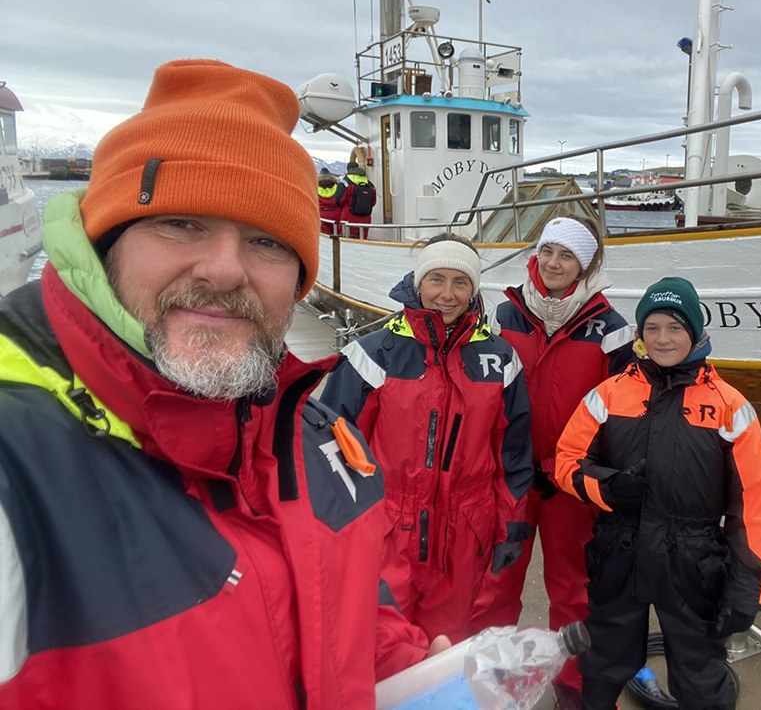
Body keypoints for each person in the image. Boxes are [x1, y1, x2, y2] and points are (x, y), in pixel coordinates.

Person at [0, 59, 445, 709]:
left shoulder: (317, 440)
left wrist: (407, 670)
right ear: (107, 245)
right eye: (182, 223)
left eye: (267, 240)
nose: (224, 270)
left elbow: (345, 611)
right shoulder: (19, 468)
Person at [555, 277, 761, 710]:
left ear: (695, 333)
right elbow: (566, 462)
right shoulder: (608, 394)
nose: (662, 339)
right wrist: (609, 487)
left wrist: (747, 585)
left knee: (701, 676)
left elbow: (755, 505)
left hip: (694, 563)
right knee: (602, 663)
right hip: (619, 553)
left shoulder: (730, 406)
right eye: (652, 327)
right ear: (639, 334)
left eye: (675, 328)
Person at [320, 234, 533, 643]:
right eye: (436, 279)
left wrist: (511, 527)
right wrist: (335, 528)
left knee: (447, 644)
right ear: (418, 284)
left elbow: (513, 454)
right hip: (386, 527)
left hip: (465, 535)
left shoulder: (499, 359)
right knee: (378, 643)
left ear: (473, 290)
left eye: (460, 282)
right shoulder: (373, 354)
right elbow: (332, 447)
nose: (447, 295)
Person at [469, 214, 634, 709]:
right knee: (495, 584)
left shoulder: (611, 330)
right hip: (513, 476)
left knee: (574, 589)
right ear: (536, 254)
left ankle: (574, 687)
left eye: (568, 255)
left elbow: (623, 412)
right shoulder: (502, 314)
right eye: (549, 251)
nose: (555, 263)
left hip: (572, 483)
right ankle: (486, 678)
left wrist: (607, 478)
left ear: (586, 264)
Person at [337, 158, 377, 239]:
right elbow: (373, 202)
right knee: (362, 240)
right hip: (366, 218)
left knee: (347, 241)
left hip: (349, 217)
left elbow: (339, 200)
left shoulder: (346, 182)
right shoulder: (369, 184)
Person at [317, 167, 343, 235]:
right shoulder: (337, 187)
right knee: (337, 236)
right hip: (337, 215)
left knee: (324, 236)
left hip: (322, 215)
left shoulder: (315, 187)